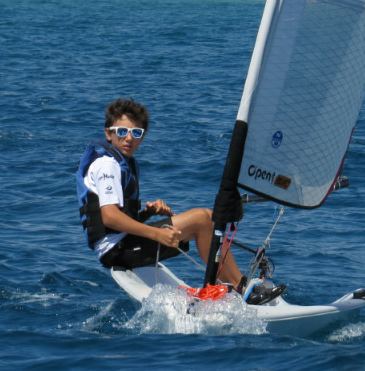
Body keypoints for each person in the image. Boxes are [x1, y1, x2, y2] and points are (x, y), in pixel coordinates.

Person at [77, 99, 283, 303]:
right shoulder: (108, 165)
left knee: (207, 219)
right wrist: (157, 234)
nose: (129, 138)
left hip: (121, 243)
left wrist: (148, 214)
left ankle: (235, 286)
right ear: (108, 133)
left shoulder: (123, 162)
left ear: (143, 137)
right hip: (116, 251)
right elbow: (110, 218)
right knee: (203, 220)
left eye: (136, 133)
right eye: (122, 132)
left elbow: (117, 219)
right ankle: (242, 289)